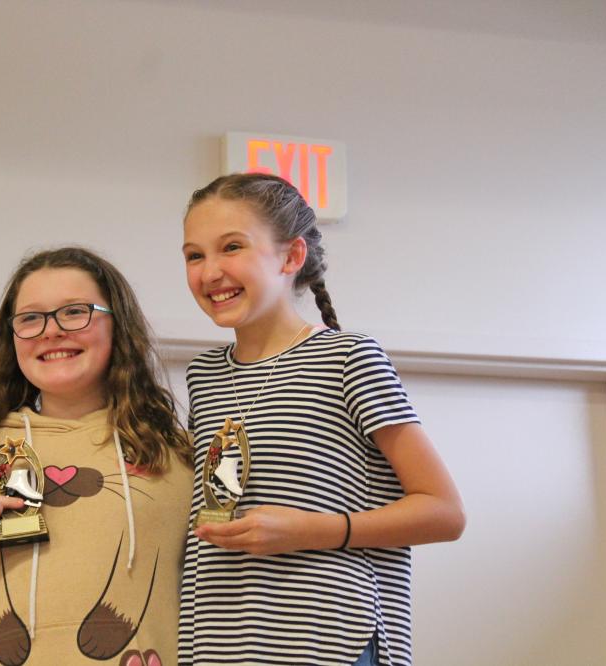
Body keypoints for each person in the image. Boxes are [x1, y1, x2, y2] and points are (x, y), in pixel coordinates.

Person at [178, 174, 465, 666]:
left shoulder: (349, 357)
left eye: (232, 247)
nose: (210, 272)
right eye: (194, 255)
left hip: (332, 644)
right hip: (217, 646)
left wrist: (312, 531)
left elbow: (445, 512)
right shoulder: (203, 375)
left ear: (292, 256)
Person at [0, 247, 193, 666]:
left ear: (118, 324)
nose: (51, 331)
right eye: (30, 318)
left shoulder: (175, 455)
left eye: (74, 312)